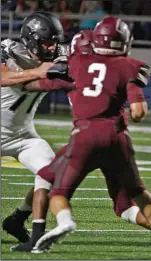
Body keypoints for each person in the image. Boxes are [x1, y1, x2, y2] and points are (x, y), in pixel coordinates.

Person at [11, 29, 151, 257]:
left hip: (84, 139)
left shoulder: (74, 68)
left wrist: (20, 69)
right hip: (116, 139)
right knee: (126, 205)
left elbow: (30, 85)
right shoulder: (119, 66)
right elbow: (137, 107)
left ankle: (46, 229)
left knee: (49, 180)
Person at [1, 11, 65, 244]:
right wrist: (40, 71)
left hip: (22, 135)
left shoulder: (60, 56)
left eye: (55, 42)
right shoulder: (7, 49)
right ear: (31, 39)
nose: (52, 48)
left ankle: (18, 218)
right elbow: (4, 77)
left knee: (53, 173)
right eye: (47, 42)